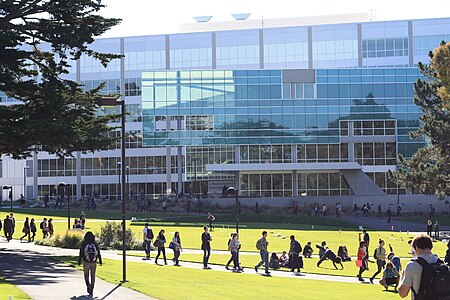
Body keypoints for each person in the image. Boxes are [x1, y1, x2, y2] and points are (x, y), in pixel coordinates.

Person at [398, 234, 440, 299]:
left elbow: (403, 293)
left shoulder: (412, 265)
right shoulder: (441, 263)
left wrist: (401, 277)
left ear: (416, 247)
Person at [78, 231, 102, 297]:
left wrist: (79, 261)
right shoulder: (95, 243)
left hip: (86, 262)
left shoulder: (84, 243)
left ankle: (88, 285)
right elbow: (98, 252)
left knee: (86, 275)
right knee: (93, 275)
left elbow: (81, 253)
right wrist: (100, 261)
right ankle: (92, 289)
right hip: (94, 262)